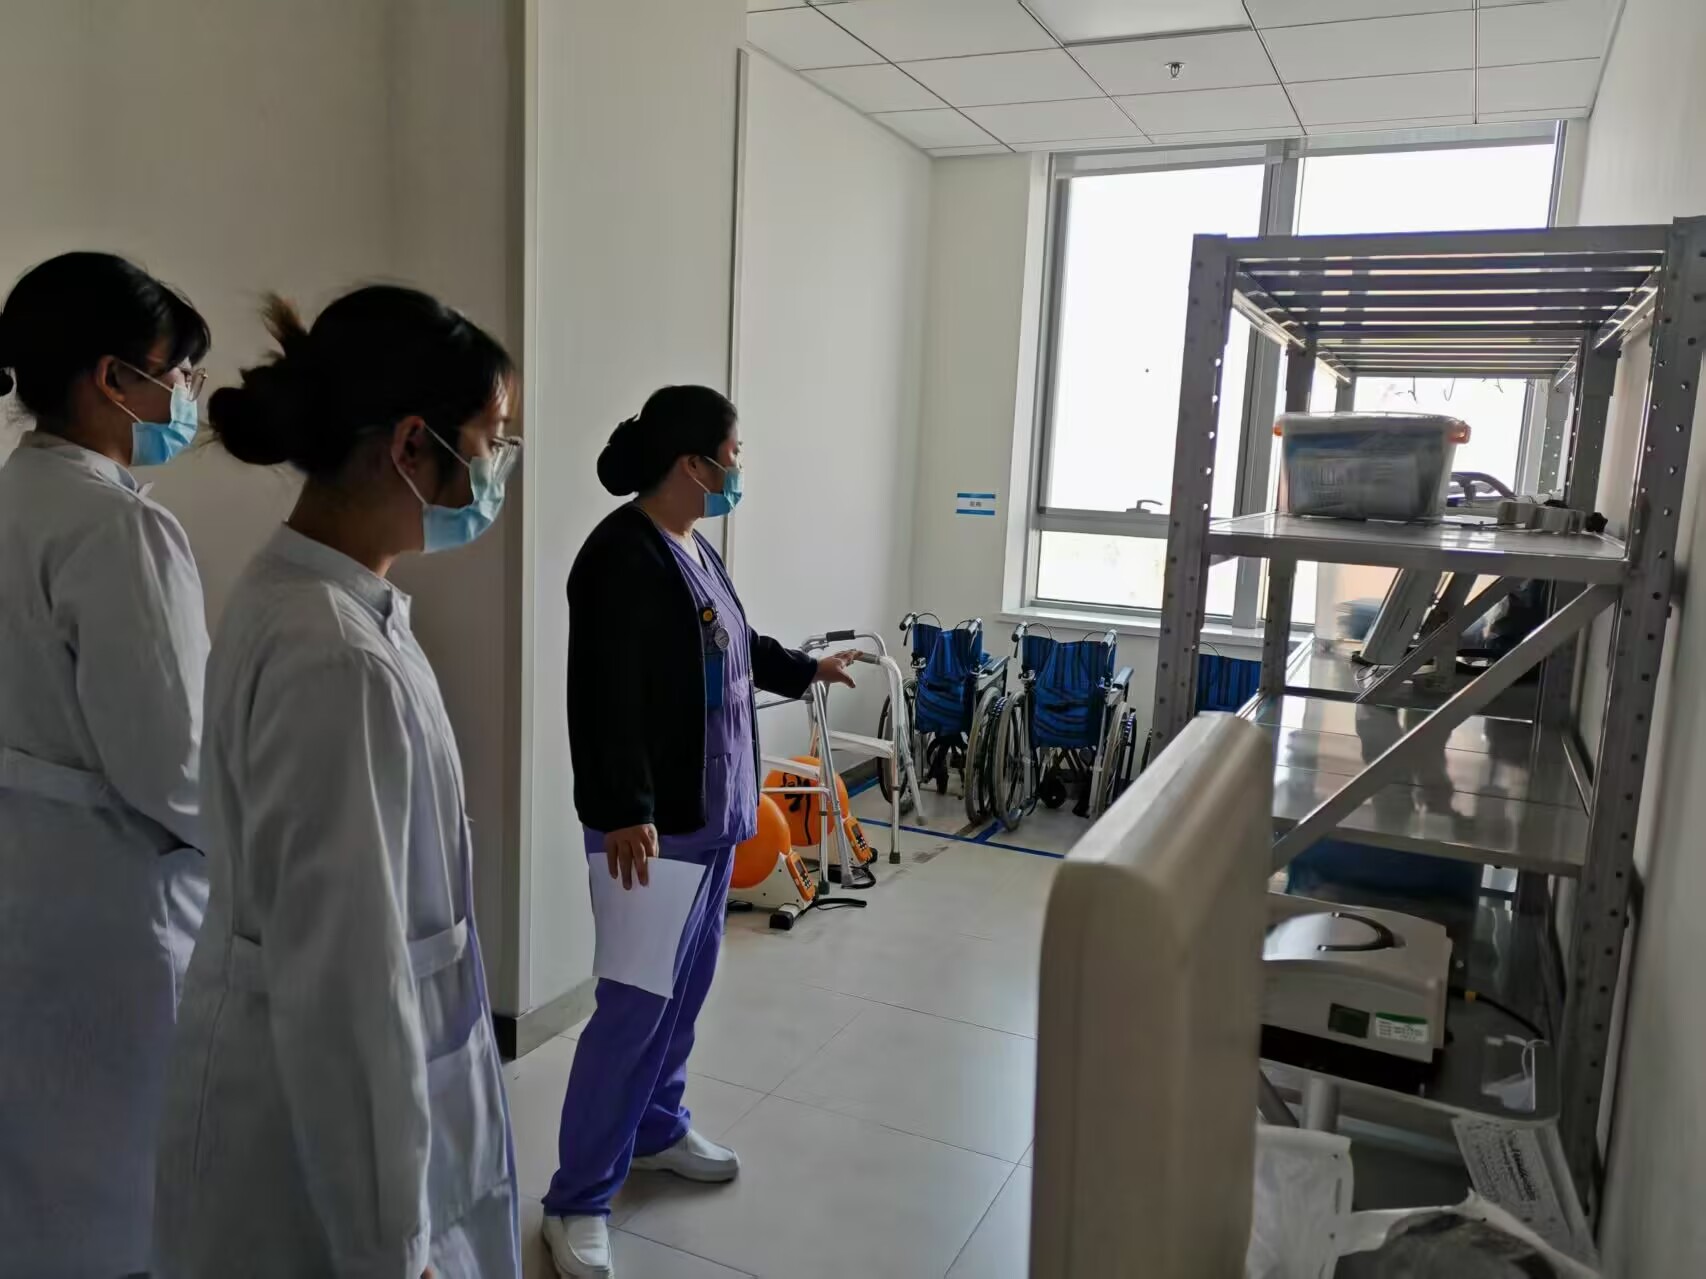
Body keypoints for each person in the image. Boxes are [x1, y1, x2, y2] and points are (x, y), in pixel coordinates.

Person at [153, 285, 523, 1278]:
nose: (497, 470)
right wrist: (393, 1245)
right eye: (490, 440)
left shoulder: (318, 602)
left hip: (301, 1098)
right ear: (411, 446)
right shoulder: (336, 656)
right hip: (310, 1152)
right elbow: (345, 986)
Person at [542, 386, 857, 1279]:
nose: (739, 468)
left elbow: (736, 641)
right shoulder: (619, 556)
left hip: (711, 819)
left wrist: (807, 668)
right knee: (634, 1008)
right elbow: (602, 695)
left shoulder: (692, 544)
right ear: (694, 463)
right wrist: (624, 808)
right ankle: (577, 1199)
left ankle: (655, 1127)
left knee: (685, 993)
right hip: (649, 829)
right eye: (735, 453)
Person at [0, 252, 213, 1276]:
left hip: (27, 881)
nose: (187, 397)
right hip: (114, 904)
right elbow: (174, 764)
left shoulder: (15, 496)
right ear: (110, 378)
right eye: (177, 373)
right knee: (124, 1184)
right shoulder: (120, 526)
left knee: (35, 1171)